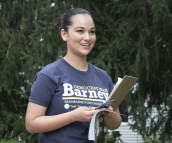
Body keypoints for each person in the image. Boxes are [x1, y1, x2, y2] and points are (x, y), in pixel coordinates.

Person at [25, 8, 122, 143]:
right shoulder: (49, 75)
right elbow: (31, 124)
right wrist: (73, 116)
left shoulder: (103, 77)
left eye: (92, 32)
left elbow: (114, 124)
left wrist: (109, 114)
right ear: (64, 34)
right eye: (80, 31)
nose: (87, 38)